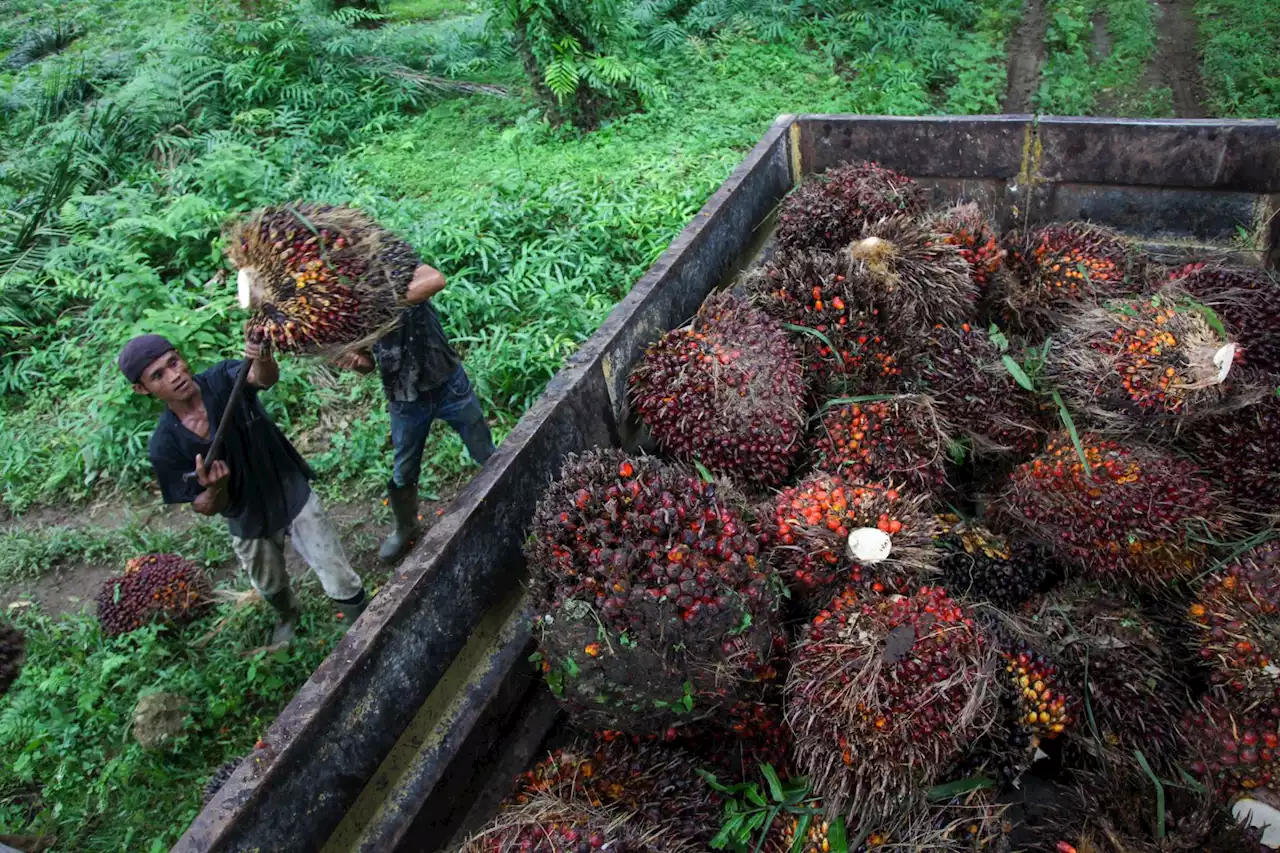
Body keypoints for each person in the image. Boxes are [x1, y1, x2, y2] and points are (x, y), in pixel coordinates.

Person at [119, 332, 369, 644]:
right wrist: (216, 489)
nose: (175, 375)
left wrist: (262, 355)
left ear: (182, 357)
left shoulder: (223, 379)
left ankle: (358, 622)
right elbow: (204, 506)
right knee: (268, 581)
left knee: (332, 564)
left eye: (174, 362)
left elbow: (262, 378)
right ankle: (287, 614)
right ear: (142, 389)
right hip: (244, 514)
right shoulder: (165, 445)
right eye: (159, 375)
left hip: (286, 487)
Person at [333, 263, 496, 563]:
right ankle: (406, 527)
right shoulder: (349, 313)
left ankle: (507, 494)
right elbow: (368, 364)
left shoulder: (395, 268)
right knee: (404, 470)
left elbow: (436, 279)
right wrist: (356, 360)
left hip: (447, 383)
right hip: (405, 399)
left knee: (485, 450)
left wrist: (380, 303)